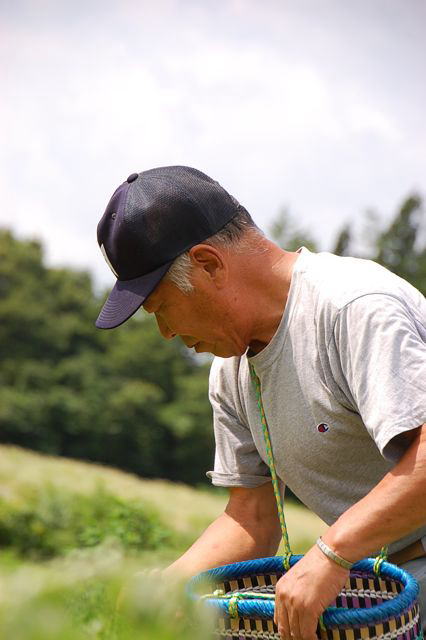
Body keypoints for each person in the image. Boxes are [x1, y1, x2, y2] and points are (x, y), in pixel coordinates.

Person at [96, 166, 426, 639]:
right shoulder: (231, 372)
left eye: (161, 308)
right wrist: (169, 584)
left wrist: (332, 553)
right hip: (381, 591)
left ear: (209, 264)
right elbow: (252, 517)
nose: (166, 332)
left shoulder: (353, 307)